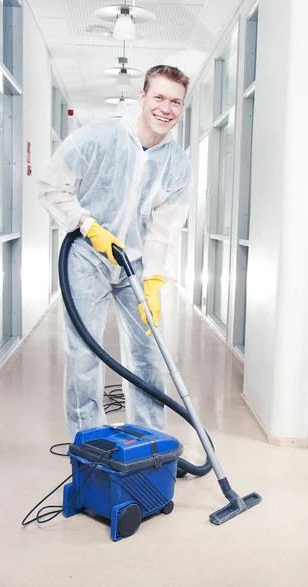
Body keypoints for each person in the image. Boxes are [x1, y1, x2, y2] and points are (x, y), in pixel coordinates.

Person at [38, 65, 191, 439]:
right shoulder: (98, 137)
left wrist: (153, 280)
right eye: (159, 97)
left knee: (149, 353)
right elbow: (51, 185)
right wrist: (87, 225)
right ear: (142, 97)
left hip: (134, 264)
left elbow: (164, 228)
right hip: (87, 255)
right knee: (83, 353)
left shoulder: (177, 163)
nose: (166, 109)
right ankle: (87, 442)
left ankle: (150, 443)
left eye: (176, 102)